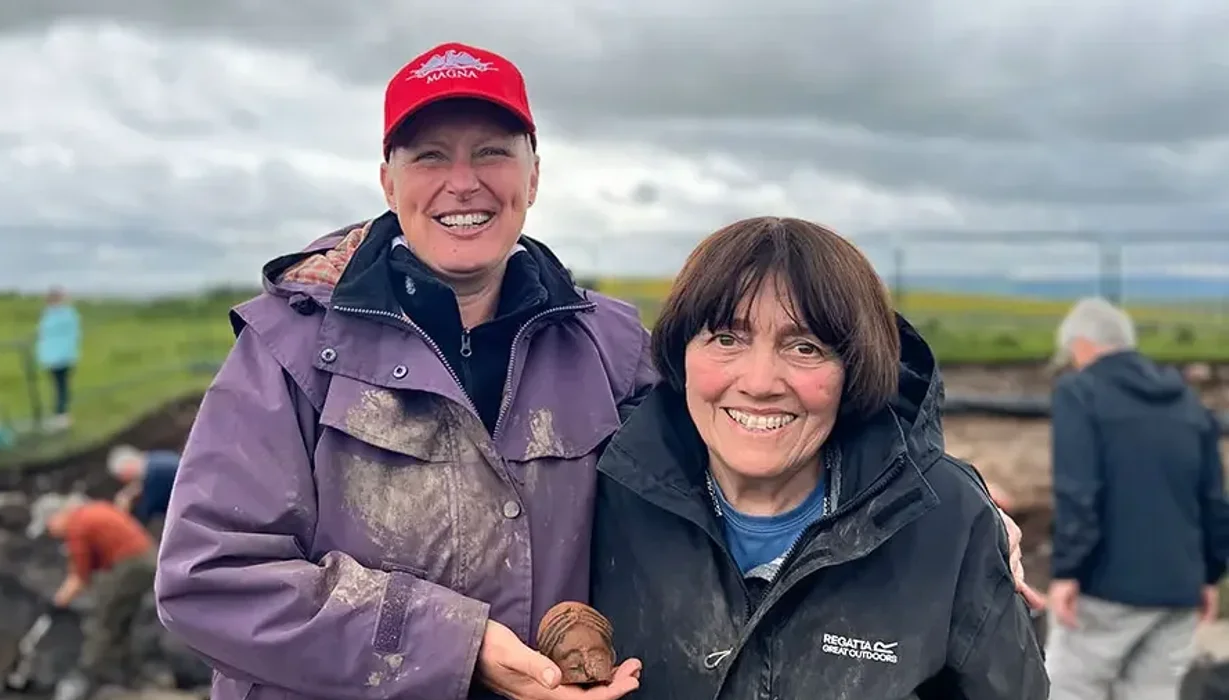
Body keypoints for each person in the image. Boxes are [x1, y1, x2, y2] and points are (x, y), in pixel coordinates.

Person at [154, 42, 1036, 700]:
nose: (464, 182)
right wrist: (456, 645)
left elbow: (755, 418)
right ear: (387, 179)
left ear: (533, 174)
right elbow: (207, 581)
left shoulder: (608, 343)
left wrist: (943, 506)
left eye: (492, 152)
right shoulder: (289, 350)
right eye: (430, 156)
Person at [589, 217, 1050, 699]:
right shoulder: (603, 491)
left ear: (852, 370)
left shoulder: (947, 521)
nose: (761, 382)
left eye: (804, 347)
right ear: (681, 353)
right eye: (727, 339)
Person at [1043, 296, 1229, 700]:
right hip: (1179, 588)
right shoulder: (1186, 401)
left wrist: (1067, 571)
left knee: (1068, 689)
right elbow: (1214, 500)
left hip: (1108, 587)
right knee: (1153, 693)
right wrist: (1211, 575)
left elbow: (1079, 492)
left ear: (1080, 346)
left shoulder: (1081, 393)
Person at [28, 493, 158, 700]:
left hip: (132, 564)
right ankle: (125, 675)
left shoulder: (77, 526)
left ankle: (90, 679)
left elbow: (79, 578)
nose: (51, 534)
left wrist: (56, 603)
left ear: (55, 517)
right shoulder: (93, 509)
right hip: (147, 557)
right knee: (119, 619)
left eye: (48, 527)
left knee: (103, 621)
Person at [35, 286, 82, 430]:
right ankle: (61, 414)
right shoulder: (61, 314)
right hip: (56, 356)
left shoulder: (61, 315)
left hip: (61, 356)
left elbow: (48, 334)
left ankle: (62, 415)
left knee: (61, 386)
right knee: (59, 385)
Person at [107, 444, 181, 532]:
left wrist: (124, 505)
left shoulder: (153, 474)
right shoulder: (155, 459)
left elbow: (146, 513)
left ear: (128, 466)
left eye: (121, 476)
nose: (124, 482)